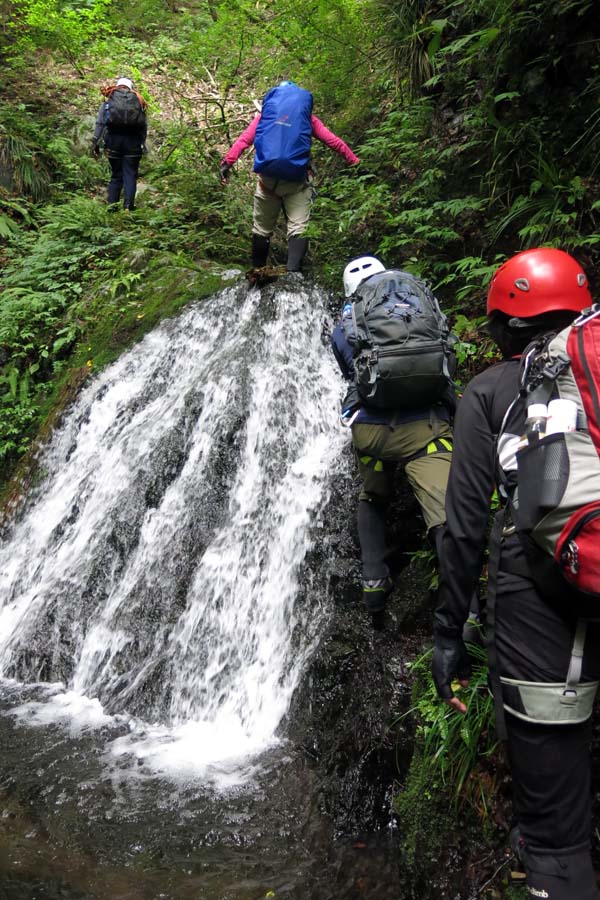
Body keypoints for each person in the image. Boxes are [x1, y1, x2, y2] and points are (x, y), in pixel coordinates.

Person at [432, 247, 600, 899]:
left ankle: (552, 860)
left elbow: (464, 526)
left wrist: (450, 636)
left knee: (556, 837)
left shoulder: (490, 391)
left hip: (540, 602)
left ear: (506, 325)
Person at [331, 256, 455, 627]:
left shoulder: (347, 322)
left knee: (372, 496)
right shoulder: (418, 309)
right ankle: (466, 611)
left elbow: (350, 371)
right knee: (444, 515)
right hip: (427, 430)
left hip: (372, 433)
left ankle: (373, 585)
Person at [219, 80, 359, 273]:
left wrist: (226, 163)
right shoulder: (307, 119)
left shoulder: (264, 117)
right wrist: (355, 162)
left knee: (261, 230)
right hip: (296, 183)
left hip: (268, 182)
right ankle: (293, 275)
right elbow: (333, 141)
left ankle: (257, 275)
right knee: (298, 228)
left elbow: (243, 141)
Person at [92, 77, 147, 212]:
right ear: (130, 87)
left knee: (116, 175)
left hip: (113, 142)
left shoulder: (109, 99)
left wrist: (95, 142)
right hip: (133, 143)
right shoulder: (138, 100)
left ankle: (112, 207)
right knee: (130, 174)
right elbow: (143, 125)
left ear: (118, 86)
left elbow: (101, 122)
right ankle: (128, 208)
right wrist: (143, 143)